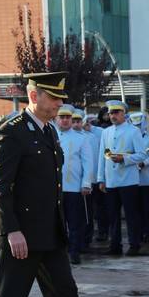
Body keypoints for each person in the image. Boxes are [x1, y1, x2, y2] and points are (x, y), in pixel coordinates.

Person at [0, 71, 125, 297]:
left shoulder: (48, 131)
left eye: (61, 98)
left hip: (49, 231)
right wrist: (12, 230)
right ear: (34, 96)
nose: (59, 103)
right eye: (54, 97)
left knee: (65, 293)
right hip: (21, 235)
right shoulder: (11, 133)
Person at [97, 100, 146, 257]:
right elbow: (102, 157)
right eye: (111, 113)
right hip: (111, 180)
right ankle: (115, 244)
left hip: (128, 180)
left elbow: (142, 154)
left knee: (131, 215)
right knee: (113, 215)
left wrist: (125, 159)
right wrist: (101, 179)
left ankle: (134, 244)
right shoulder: (106, 132)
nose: (113, 116)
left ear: (123, 113)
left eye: (116, 112)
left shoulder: (133, 131)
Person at [56, 104, 93, 265]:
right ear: (56, 118)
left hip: (73, 186)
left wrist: (86, 183)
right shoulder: (50, 136)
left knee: (74, 222)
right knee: (56, 223)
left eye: (67, 118)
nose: (64, 120)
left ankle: (74, 251)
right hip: (54, 188)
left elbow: (88, 162)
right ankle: (58, 252)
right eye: (61, 117)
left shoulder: (81, 138)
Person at [129, 111, 149, 244]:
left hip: (148, 179)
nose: (136, 127)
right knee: (136, 208)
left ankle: (148, 231)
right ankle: (139, 231)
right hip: (133, 179)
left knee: (148, 207)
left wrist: (143, 163)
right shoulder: (129, 137)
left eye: (138, 124)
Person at [83, 113, 109, 244]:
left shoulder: (99, 132)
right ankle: (87, 234)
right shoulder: (79, 135)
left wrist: (102, 177)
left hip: (97, 176)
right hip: (85, 179)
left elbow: (104, 155)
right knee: (87, 209)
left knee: (100, 207)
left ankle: (103, 231)